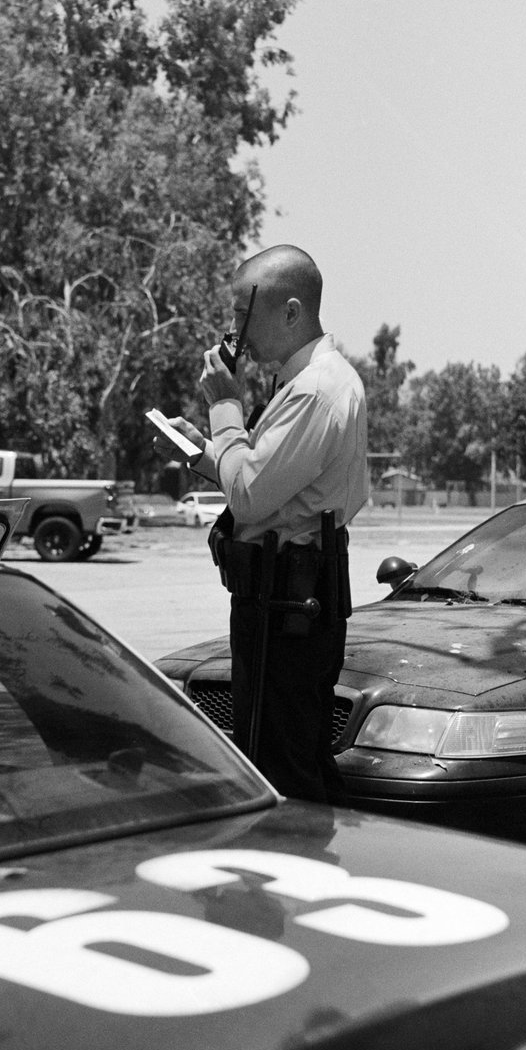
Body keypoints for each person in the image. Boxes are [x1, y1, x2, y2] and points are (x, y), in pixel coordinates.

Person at [154, 245, 368, 802]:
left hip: (289, 608)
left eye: (241, 316)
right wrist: (205, 453)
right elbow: (263, 481)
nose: (235, 334)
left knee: (285, 770)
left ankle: (302, 878)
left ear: (291, 312)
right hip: (279, 604)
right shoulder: (303, 384)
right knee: (280, 755)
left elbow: (248, 495)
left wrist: (224, 408)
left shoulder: (318, 389)